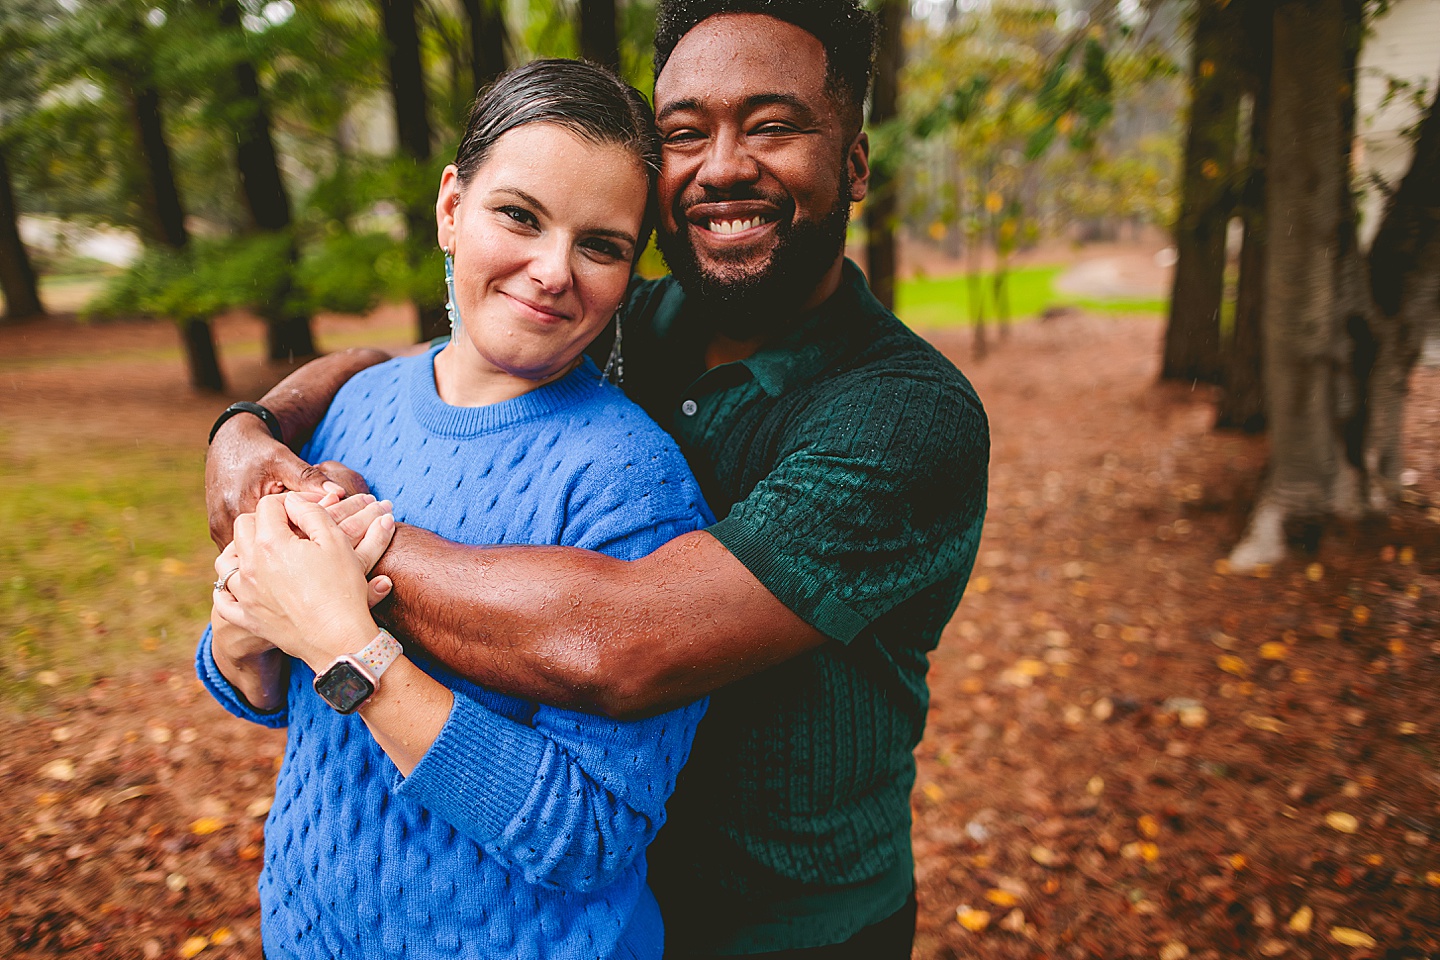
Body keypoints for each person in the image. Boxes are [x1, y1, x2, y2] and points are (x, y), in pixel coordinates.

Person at [210, 1, 991, 957]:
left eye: (775, 126)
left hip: (787, 922)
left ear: (856, 163)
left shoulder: (907, 417)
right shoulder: (621, 314)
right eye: (685, 133)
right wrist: (248, 431)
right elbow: (414, 361)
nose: (725, 165)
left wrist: (324, 555)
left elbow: (621, 645)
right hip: (596, 907)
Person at [199, 59, 712, 960]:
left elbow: (589, 835)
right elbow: (275, 700)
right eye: (519, 215)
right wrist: (239, 641)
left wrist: (345, 647)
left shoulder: (631, 483)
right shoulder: (354, 406)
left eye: (602, 244)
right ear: (450, 208)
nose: (553, 270)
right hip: (305, 930)